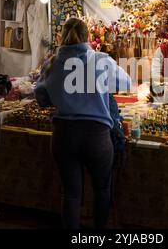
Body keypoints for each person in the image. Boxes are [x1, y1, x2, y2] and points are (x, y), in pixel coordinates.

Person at [34, 17, 130, 229]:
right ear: (88, 37)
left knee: (71, 194)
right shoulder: (100, 60)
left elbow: (41, 98)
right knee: (102, 189)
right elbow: (126, 83)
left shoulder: (52, 63)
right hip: (96, 135)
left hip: (63, 134)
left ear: (61, 37)